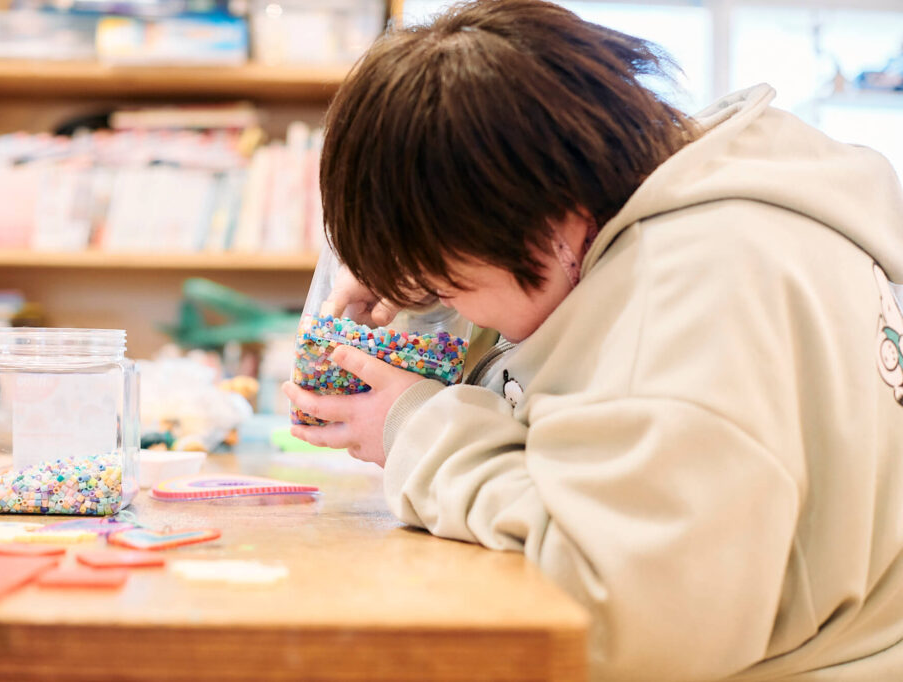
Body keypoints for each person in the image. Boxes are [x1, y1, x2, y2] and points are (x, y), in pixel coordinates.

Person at [282, 1, 903, 679]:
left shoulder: (690, 289)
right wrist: (416, 275)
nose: (444, 305)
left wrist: (417, 431)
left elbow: (628, 621)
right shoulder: (699, 191)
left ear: (551, 225)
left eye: (452, 287)